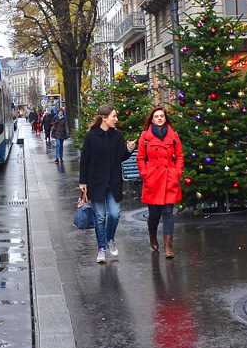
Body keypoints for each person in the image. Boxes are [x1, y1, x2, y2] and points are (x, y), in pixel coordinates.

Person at [78, 104, 135, 264]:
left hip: (113, 181)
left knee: (115, 214)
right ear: (104, 118)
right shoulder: (91, 136)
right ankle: (101, 248)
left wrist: (129, 149)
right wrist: (83, 182)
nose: (116, 119)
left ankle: (110, 239)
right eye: (113, 116)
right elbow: (85, 160)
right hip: (95, 182)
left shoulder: (117, 136)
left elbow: (120, 157)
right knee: (100, 217)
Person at [137, 107, 184, 256]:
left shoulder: (173, 136)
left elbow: (180, 156)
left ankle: (168, 247)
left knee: (168, 213)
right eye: (156, 116)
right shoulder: (145, 136)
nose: (159, 118)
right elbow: (140, 158)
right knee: (154, 214)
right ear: (151, 119)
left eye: (161, 116)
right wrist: (145, 173)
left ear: (165, 118)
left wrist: (177, 172)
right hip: (153, 179)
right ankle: (152, 233)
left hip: (169, 177)